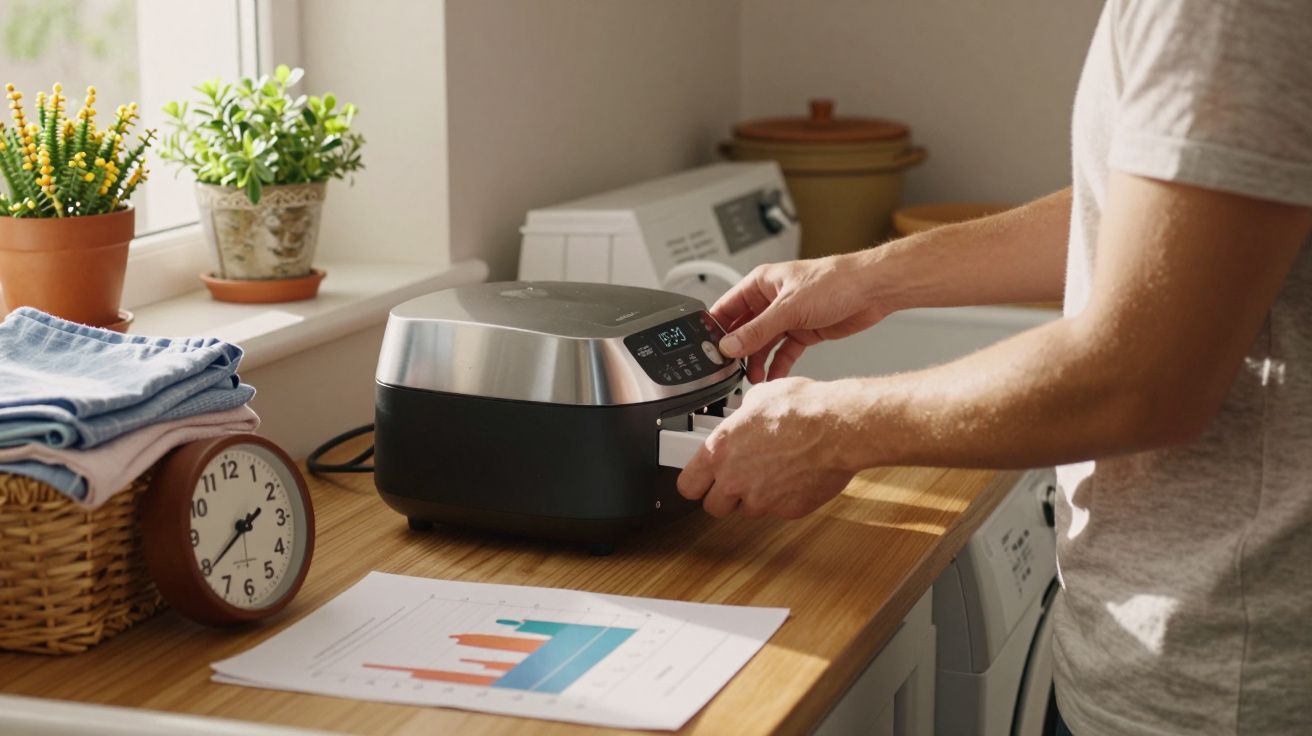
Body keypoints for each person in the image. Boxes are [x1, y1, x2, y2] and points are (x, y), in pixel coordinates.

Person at [675, 2, 1312, 733]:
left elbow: (1142, 377)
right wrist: (873, 274)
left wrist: (829, 429)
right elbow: (1173, 207)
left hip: (1225, 683)